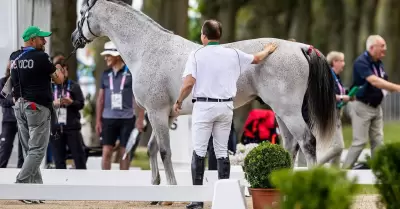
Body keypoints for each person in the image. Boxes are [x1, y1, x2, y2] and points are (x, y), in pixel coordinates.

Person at [173, 19, 278, 209]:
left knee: (199, 151)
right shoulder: (233, 54)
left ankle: (197, 200)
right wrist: (268, 50)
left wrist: (179, 101)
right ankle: (224, 198)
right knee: (221, 152)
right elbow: (256, 59)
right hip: (225, 107)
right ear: (219, 36)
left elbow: (188, 84)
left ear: (203, 36)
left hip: (204, 107)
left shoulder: (196, 54)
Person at [10, 26, 65, 204]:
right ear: (33, 40)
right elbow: (59, 80)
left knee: (29, 150)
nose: (45, 41)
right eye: (42, 38)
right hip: (37, 107)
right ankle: (20, 183)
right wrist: (58, 69)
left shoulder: (14, 57)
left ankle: (35, 190)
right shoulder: (41, 57)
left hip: (19, 106)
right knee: (38, 150)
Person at [343, 35, 400, 169]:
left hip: (376, 107)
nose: (385, 49)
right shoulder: (361, 62)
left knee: (378, 141)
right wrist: (397, 87)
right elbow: (374, 81)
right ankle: (344, 172)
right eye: (382, 46)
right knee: (360, 142)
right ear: (372, 47)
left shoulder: (378, 63)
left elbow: (383, 81)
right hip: (361, 106)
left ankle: (378, 171)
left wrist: (389, 88)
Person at [96, 41, 144, 170]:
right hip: (108, 118)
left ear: (117, 56)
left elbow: (139, 98)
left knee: (124, 153)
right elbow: (100, 99)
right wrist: (98, 120)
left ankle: (123, 182)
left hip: (127, 119)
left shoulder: (131, 73)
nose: (106, 58)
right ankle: (105, 183)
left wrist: (140, 119)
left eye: (108, 55)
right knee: (106, 152)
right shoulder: (105, 75)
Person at [50, 61, 87, 170]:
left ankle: (82, 182)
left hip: (72, 127)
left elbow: (81, 104)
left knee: (79, 157)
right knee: (58, 160)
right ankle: (61, 184)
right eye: (59, 70)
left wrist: (71, 102)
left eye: (64, 70)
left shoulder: (74, 86)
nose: (62, 73)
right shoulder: (50, 86)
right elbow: (43, 104)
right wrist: (53, 103)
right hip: (56, 128)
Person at [317, 51, 350, 166]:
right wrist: (342, 97)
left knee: (338, 151)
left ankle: (334, 176)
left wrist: (349, 95)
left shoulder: (336, 77)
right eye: (341, 61)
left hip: (337, 114)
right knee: (338, 147)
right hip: (329, 114)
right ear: (334, 62)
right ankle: (315, 164)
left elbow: (339, 91)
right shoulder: (328, 75)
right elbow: (327, 95)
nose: (343, 64)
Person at [0, 61, 24, 168]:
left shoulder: (23, 82)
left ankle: (22, 174)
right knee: (5, 147)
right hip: (8, 120)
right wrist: (13, 101)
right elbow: (2, 101)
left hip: (22, 119)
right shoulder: (3, 82)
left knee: (23, 148)